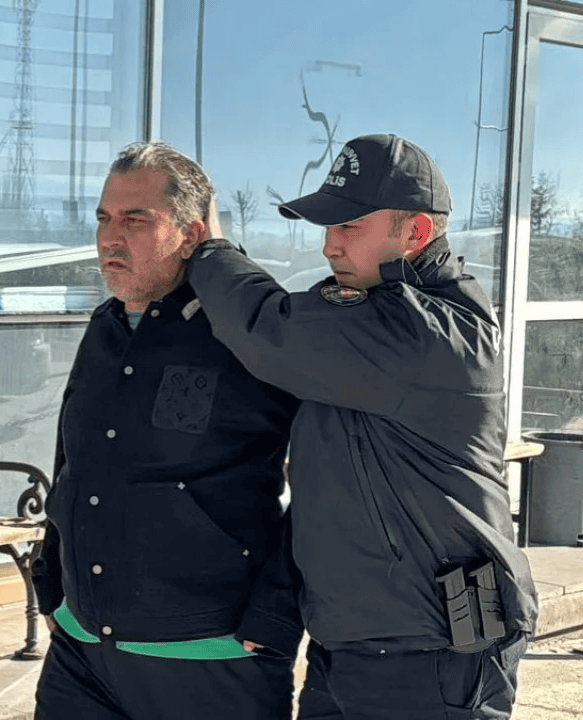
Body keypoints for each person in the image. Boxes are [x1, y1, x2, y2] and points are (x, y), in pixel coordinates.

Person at [187, 133, 539, 719]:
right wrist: (278, 607)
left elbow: (267, 328)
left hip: (435, 655)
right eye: (327, 227)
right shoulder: (366, 319)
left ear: (415, 232)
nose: (330, 244)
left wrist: (208, 251)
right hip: (350, 647)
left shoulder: (427, 332)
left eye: (349, 226)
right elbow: (333, 489)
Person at [30, 141, 303, 719]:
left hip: (208, 655)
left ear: (191, 234)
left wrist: (276, 612)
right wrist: (50, 578)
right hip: (80, 650)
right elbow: (72, 461)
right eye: (104, 218)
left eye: (135, 220)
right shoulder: (105, 326)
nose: (110, 238)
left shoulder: (246, 332)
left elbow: (324, 484)